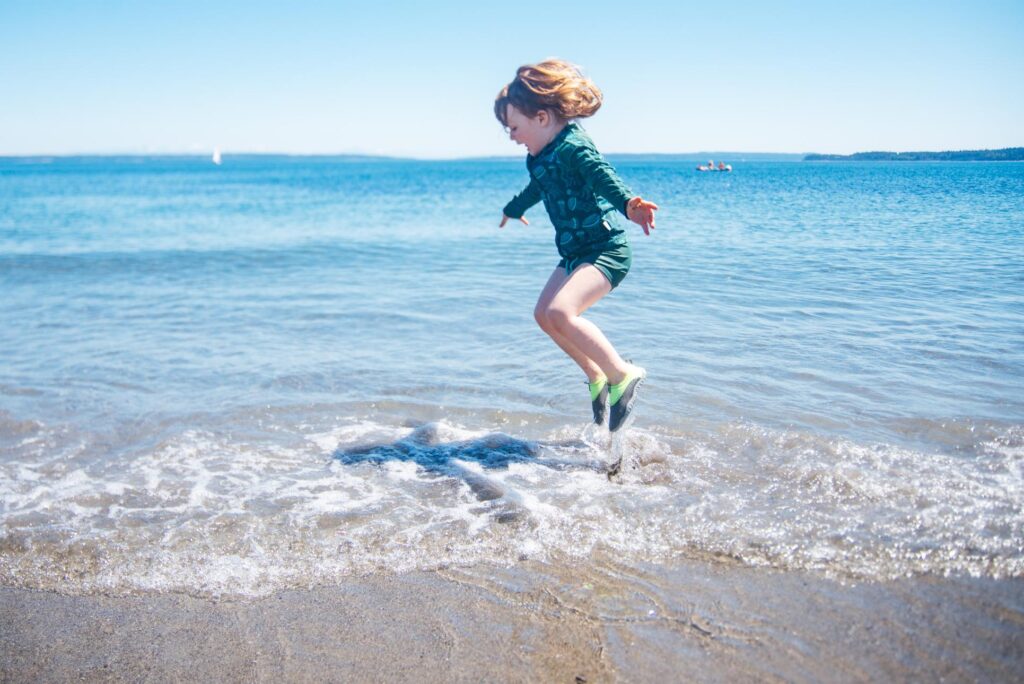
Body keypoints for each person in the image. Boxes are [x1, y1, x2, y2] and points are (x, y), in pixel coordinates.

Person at [494, 59, 658, 432]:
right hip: (574, 252)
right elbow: (539, 188)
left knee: (562, 312)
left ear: (541, 118)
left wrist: (631, 205)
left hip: (606, 249)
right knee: (544, 315)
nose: (512, 136)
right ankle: (596, 375)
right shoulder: (539, 158)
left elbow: (603, 178)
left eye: (514, 127)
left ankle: (624, 375)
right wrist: (514, 208)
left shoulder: (574, 146)